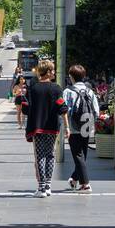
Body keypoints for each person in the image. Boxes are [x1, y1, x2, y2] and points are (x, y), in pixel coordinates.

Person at [20, 57, 70, 197]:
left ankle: (41, 188)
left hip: (37, 127)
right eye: (53, 70)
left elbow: (25, 109)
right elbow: (62, 108)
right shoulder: (56, 88)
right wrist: (67, 127)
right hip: (52, 127)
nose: (54, 72)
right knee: (50, 155)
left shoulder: (33, 88)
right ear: (48, 72)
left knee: (40, 155)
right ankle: (48, 186)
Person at [63, 64, 99, 193]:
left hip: (74, 127)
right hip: (87, 125)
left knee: (78, 155)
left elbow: (64, 110)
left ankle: (85, 184)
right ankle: (74, 179)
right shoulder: (89, 91)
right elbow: (96, 110)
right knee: (82, 155)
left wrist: (65, 127)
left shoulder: (68, 92)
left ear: (71, 77)